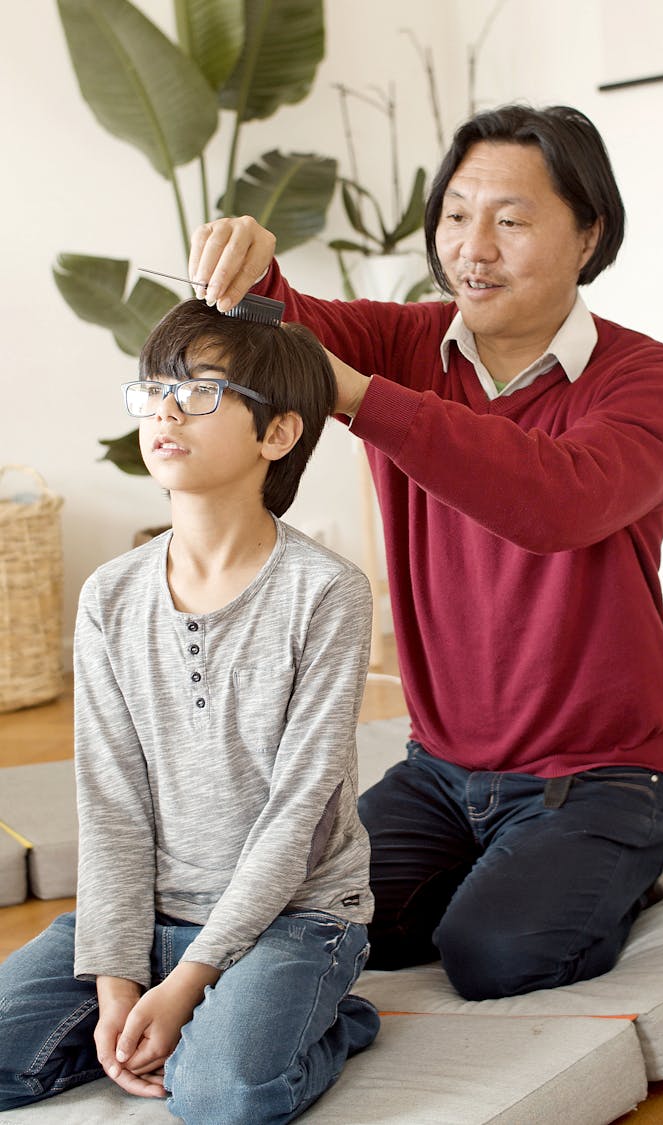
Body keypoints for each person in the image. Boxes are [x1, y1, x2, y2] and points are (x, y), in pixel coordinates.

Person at [185, 103, 663, 1004]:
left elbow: (557, 495)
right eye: (457, 215)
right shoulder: (408, 342)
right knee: (291, 912)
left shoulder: (653, 379)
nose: (474, 247)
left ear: (589, 234)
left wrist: (364, 397)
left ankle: (605, 872)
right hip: (440, 770)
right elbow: (289, 326)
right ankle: (517, 870)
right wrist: (254, 264)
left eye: (510, 220)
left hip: (604, 775)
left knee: (494, 954)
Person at [0, 300, 380, 1122]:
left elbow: (297, 813)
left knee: (222, 1095)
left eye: (203, 391)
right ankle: (189, 1023)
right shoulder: (110, 594)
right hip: (149, 912)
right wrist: (116, 985)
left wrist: (187, 984)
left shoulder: (328, 592)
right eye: (157, 387)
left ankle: (334, 1018)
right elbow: (110, 804)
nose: (166, 409)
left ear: (277, 434)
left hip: (296, 917)